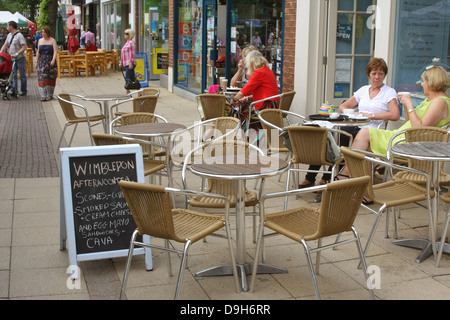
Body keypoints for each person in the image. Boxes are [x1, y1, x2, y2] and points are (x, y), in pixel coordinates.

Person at [340, 65, 450, 202]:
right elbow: (412, 121)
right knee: (365, 145)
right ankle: (363, 190)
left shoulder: (439, 102)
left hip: (407, 145)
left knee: (364, 135)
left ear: (433, 81)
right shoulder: (431, 100)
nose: (422, 85)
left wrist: (410, 105)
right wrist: (405, 105)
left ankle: (345, 177)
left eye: (424, 81)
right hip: (403, 137)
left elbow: (419, 129)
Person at [299, 58, 400, 192]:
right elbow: (343, 106)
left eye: (380, 74)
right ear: (368, 74)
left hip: (371, 130)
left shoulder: (389, 92)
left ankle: (328, 179)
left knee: (342, 142)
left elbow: (395, 115)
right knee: (328, 139)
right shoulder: (364, 90)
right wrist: (353, 114)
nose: (377, 77)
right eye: (374, 73)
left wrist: (372, 115)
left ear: (384, 75)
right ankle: (311, 177)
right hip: (356, 126)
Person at [231, 50, 279, 133]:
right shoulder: (266, 70)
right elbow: (265, 93)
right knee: (245, 110)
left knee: (241, 112)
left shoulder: (259, 73)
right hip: (272, 105)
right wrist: (246, 98)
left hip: (266, 107)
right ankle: (260, 140)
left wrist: (234, 100)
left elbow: (244, 90)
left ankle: (249, 139)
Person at [0, 21, 27, 96]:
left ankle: (23, 90)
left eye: (8, 26)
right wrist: (1, 53)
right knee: (13, 75)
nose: (7, 27)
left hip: (20, 58)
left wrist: (17, 53)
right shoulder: (9, 35)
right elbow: (5, 45)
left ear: (11, 26)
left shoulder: (19, 35)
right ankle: (13, 90)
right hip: (11, 59)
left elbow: (24, 47)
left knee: (22, 75)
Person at [35, 26, 57, 101]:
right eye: (42, 32)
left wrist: (53, 60)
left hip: (50, 60)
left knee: (50, 77)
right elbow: (38, 51)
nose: (42, 33)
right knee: (42, 77)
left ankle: (50, 95)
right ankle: (43, 95)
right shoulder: (40, 41)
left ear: (47, 33)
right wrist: (37, 62)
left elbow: (55, 51)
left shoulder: (52, 40)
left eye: (44, 32)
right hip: (42, 61)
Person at [121, 28, 137, 95]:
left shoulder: (131, 43)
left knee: (127, 78)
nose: (125, 35)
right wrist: (121, 62)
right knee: (132, 78)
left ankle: (127, 91)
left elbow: (131, 53)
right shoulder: (127, 43)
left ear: (130, 35)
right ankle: (139, 91)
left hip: (129, 63)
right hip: (126, 63)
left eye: (127, 33)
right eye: (125, 33)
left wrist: (131, 62)